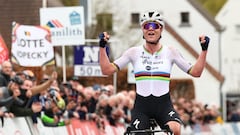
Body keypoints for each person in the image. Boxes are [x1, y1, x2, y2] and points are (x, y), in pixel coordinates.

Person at [99, 11, 210, 135]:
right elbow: (106, 70)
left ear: (161, 29)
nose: (150, 30)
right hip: (142, 107)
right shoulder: (133, 52)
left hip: (163, 106)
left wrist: (204, 50)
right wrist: (102, 47)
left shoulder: (171, 52)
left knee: (175, 129)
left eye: (154, 26)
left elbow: (196, 72)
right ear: (142, 29)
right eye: (147, 26)